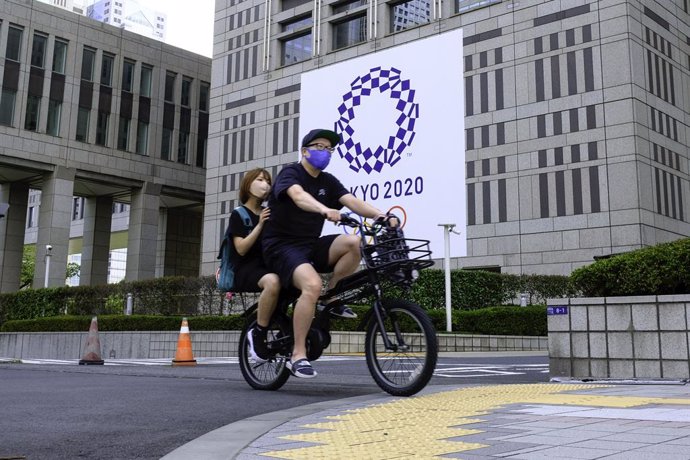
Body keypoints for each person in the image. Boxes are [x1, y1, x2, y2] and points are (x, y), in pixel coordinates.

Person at [262, 128, 390, 379]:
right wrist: (324, 209)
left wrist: (380, 215)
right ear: (305, 151)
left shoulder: (328, 181)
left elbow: (352, 200)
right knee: (311, 284)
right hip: (281, 246)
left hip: (310, 244)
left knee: (354, 243)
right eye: (319, 147)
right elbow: (298, 196)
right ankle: (298, 355)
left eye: (329, 149)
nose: (325, 152)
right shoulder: (291, 173)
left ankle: (329, 295)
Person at [222, 168, 280, 363]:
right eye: (260, 179)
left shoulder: (269, 212)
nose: (265, 184)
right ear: (248, 184)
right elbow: (241, 249)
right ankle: (258, 332)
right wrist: (260, 225)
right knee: (272, 282)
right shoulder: (239, 214)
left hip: (266, 266)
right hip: (245, 270)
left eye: (268, 181)